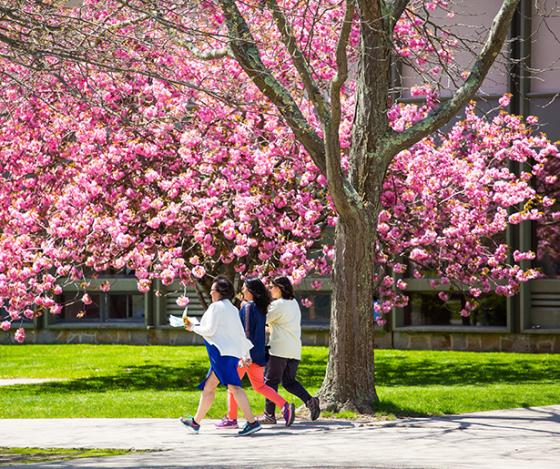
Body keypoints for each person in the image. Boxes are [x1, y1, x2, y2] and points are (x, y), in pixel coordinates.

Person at [180, 275, 262, 436]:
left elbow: (209, 330)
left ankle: (252, 422)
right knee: (209, 387)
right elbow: (239, 334)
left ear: (219, 292)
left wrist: (193, 327)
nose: (210, 294)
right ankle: (195, 422)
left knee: (234, 387)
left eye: (212, 291)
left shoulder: (216, 307)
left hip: (221, 354)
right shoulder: (232, 308)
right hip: (228, 354)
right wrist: (245, 353)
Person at [216, 278, 296, 429]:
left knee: (233, 385)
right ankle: (285, 406)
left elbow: (246, 332)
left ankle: (231, 419)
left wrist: (244, 354)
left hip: (246, 354)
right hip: (258, 354)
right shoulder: (260, 308)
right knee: (259, 386)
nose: (243, 291)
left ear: (251, 291)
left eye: (245, 288)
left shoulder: (247, 308)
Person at [261, 276, 320, 424]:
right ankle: (310, 401)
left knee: (270, 383)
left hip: (279, 350)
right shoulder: (293, 304)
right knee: (289, 382)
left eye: (272, 287)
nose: (270, 289)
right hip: (294, 349)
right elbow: (280, 326)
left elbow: (262, 319)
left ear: (280, 288)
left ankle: (269, 415)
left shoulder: (277, 305)